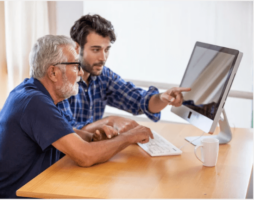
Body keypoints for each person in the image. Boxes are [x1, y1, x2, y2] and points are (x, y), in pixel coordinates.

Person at [0, 35, 153, 198]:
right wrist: (130, 137)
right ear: (53, 73)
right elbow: (85, 156)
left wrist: (91, 136)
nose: (81, 73)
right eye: (76, 66)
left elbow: (61, 133)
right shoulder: (35, 102)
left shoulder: (37, 94)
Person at [57, 14, 191, 136]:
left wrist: (163, 98)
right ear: (76, 48)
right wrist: (110, 121)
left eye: (107, 50)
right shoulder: (60, 80)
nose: (103, 58)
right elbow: (67, 133)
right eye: (96, 50)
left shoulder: (103, 76)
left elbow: (139, 101)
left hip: (92, 152)